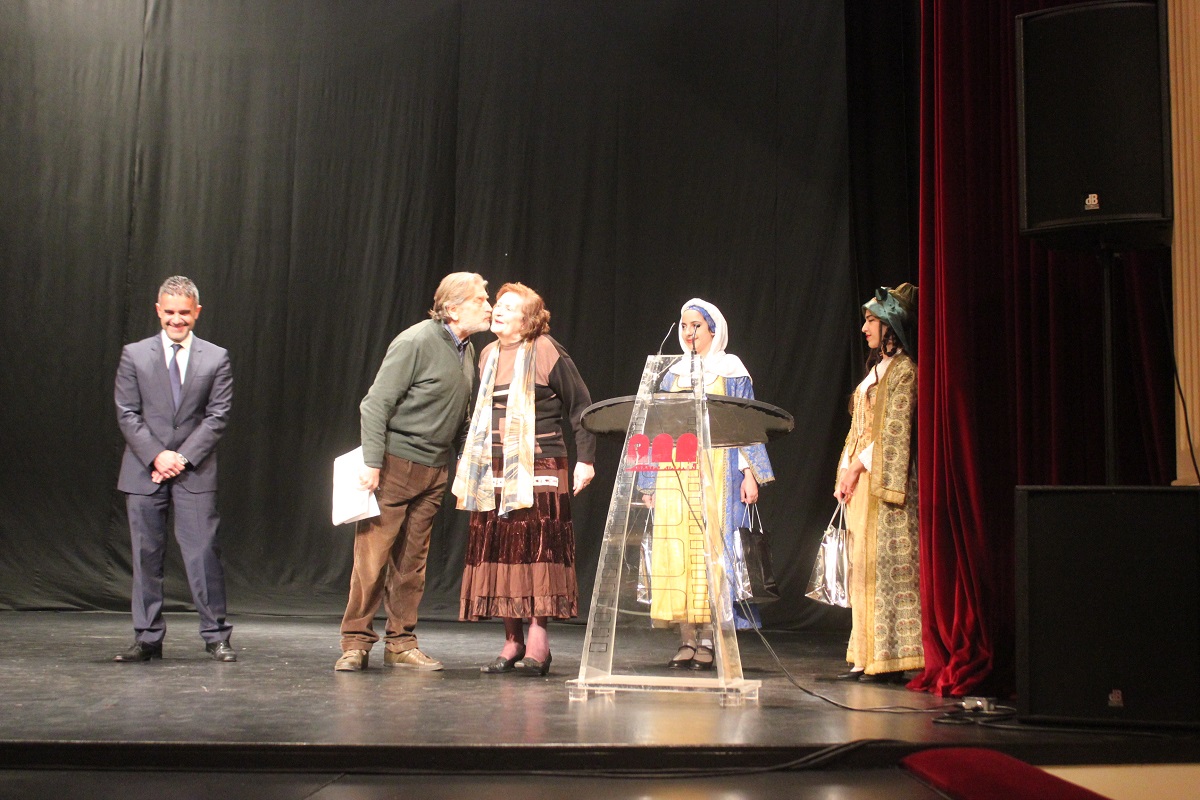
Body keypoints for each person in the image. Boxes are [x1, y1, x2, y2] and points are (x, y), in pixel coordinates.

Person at [335, 272, 492, 672]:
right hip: (395, 466)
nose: (488, 306)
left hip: (434, 470)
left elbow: (460, 414)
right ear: (452, 308)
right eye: (480, 300)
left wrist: (464, 463)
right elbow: (375, 404)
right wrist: (373, 462)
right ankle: (355, 642)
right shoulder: (417, 341)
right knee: (372, 561)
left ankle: (401, 643)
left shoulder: (466, 349)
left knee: (411, 565)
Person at [453, 283, 596, 677]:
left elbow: (581, 406)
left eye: (508, 307)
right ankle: (512, 638)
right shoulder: (487, 355)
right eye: (497, 304)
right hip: (494, 465)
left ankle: (538, 637)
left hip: (541, 462)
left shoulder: (545, 349)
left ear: (528, 319)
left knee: (536, 548)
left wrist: (586, 460)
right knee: (502, 548)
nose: (497, 310)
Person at [640, 299, 775, 670]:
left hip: (718, 469)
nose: (689, 333)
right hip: (675, 472)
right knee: (679, 551)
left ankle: (711, 640)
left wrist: (750, 473)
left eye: (696, 326)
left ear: (714, 331)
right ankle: (687, 638)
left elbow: (746, 423)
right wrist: (649, 482)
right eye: (684, 325)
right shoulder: (672, 373)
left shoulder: (732, 371)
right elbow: (657, 428)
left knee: (710, 552)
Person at [113, 276, 236, 662]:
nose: (176, 319)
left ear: (196, 312)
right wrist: (157, 456)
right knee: (145, 556)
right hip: (143, 470)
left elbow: (218, 416)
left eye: (184, 312)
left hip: (194, 471)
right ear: (158, 310)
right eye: (169, 312)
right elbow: (127, 413)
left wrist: (179, 458)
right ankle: (147, 638)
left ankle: (216, 635)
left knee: (202, 554)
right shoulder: (134, 354)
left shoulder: (216, 357)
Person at [832, 283, 924, 683]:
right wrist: (844, 471)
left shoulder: (905, 371)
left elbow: (893, 432)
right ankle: (865, 656)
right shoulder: (876, 372)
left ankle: (892, 658)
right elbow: (858, 428)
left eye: (871, 320)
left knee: (885, 571)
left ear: (891, 325)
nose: (864, 328)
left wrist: (857, 468)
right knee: (863, 570)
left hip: (886, 481)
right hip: (861, 482)